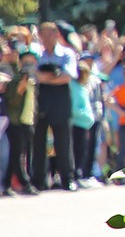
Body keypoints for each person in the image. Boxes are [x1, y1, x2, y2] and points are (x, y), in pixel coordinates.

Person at [32, 21, 79, 191]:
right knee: (39, 140)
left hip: (60, 99)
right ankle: (39, 179)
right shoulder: (38, 54)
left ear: (56, 34)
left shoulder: (67, 53)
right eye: (42, 34)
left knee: (63, 140)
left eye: (48, 34)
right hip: (43, 99)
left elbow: (68, 76)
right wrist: (51, 76)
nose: (45, 38)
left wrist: (46, 78)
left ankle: (68, 178)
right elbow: (35, 76)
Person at [2, 48, 38, 195]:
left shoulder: (34, 80)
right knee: (15, 154)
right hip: (16, 122)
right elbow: (12, 102)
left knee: (25, 153)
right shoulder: (14, 79)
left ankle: (9, 184)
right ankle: (24, 183)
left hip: (29, 121)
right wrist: (19, 89)